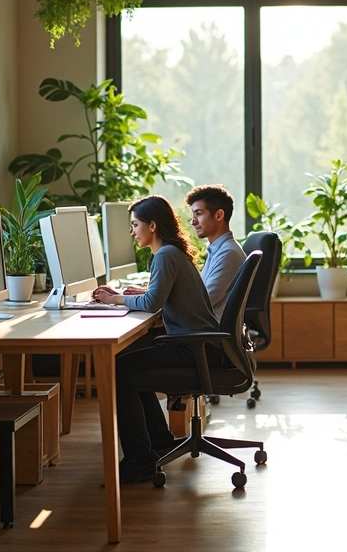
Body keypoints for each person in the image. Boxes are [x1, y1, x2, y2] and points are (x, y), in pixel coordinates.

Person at [92, 195, 219, 484]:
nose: (132, 231)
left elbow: (151, 304)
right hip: (197, 345)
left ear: (152, 225)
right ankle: (159, 442)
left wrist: (115, 299)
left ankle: (140, 460)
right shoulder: (171, 253)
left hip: (194, 350)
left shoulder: (165, 255)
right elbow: (158, 297)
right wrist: (138, 294)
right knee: (128, 363)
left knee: (120, 371)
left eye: (135, 225)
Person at [185, 184, 247, 320]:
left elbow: (200, 302)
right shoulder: (218, 250)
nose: (193, 222)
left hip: (205, 331)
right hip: (200, 326)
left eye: (199, 214)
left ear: (219, 215)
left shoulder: (228, 253)